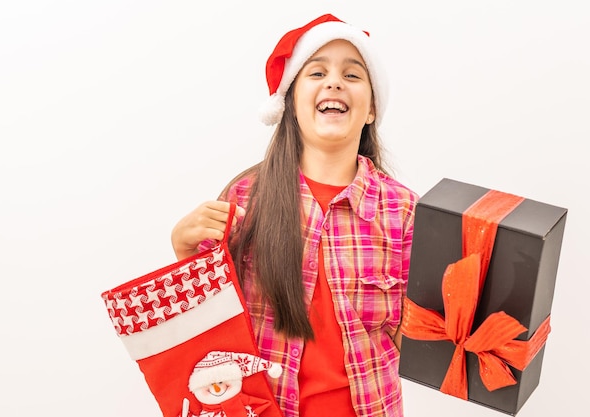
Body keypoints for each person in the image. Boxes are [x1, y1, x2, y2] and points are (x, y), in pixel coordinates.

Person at [170, 13, 418, 417]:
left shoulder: (404, 212)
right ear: (290, 102)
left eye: (353, 76)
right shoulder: (246, 198)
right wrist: (183, 251)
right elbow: (208, 336)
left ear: (371, 109)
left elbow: (419, 345)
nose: (334, 82)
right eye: (316, 72)